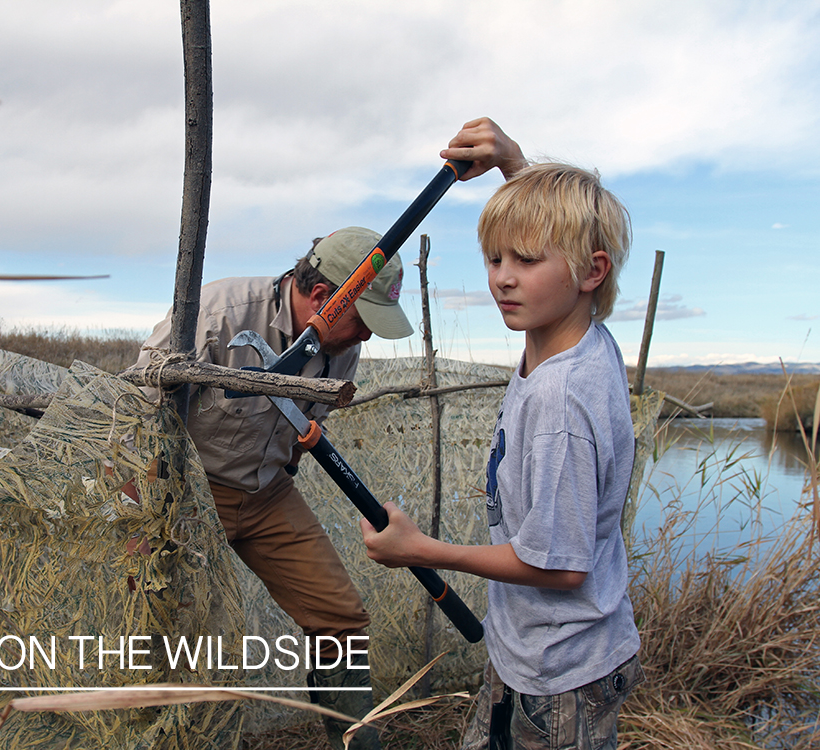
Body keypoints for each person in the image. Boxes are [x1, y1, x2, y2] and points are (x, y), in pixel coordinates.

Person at [135, 118, 524, 750]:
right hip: (184, 499)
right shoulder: (218, 315)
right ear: (321, 294)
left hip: (265, 494)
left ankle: (355, 744)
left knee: (341, 620)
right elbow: (138, 408)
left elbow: (303, 426)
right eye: (362, 319)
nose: (367, 335)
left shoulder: (341, 346)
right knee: (176, 635)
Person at [359, 161, 644, 749]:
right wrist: (514, 163)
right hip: (529, 648)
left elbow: (562, 567)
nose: (503, 280)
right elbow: (562, 232)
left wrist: (421, 550)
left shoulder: (562, 402)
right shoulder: (576, 341)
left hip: (562, 674)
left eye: (527, 261)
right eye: (494, 259)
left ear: (592, 272)